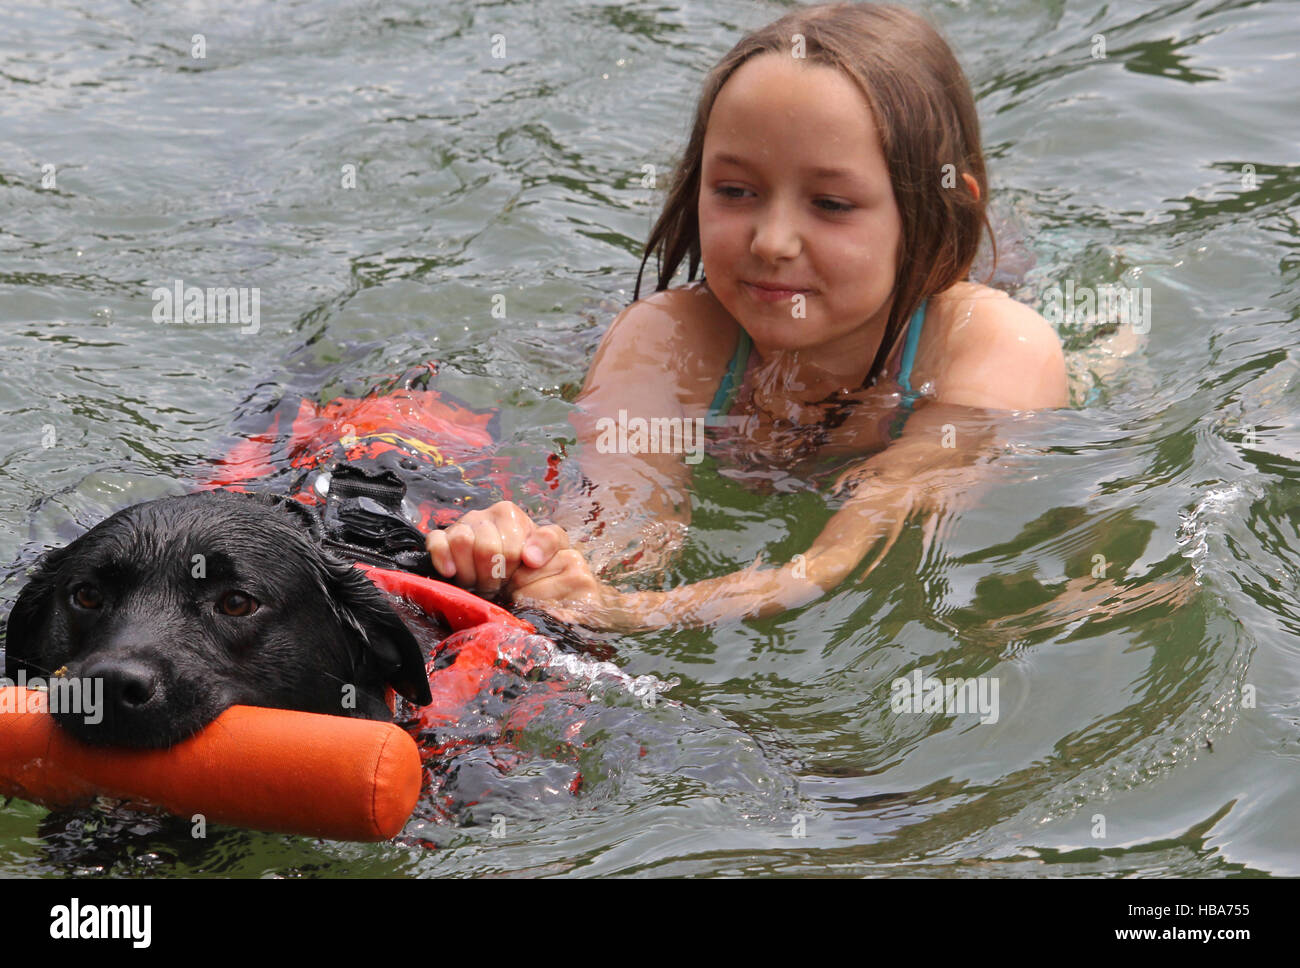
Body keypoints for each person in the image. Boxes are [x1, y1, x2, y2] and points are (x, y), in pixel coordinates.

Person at [426, 2, 1067, 630]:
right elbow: (622, 531)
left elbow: (837, 558)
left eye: (832, 203)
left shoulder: (997, 352)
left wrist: (629, 614)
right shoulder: (669, 337)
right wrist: (536, 559)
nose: (771, 241)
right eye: (735, 192)